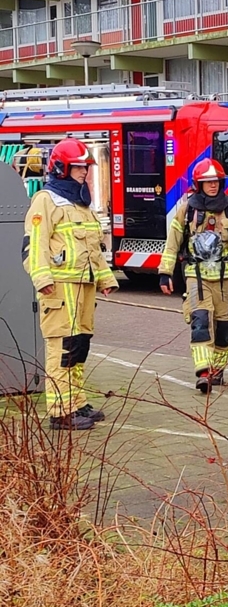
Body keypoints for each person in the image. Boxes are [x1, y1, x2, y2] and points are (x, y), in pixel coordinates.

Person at [22, 138, 117, 430]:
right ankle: (60, 411)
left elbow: (93, 248)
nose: (83, 172)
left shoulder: (81, 203)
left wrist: (105, 279)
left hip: (83, 288)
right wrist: (42, 279)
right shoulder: (46, 200)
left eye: (85, 167)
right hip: (59, 290)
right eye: (78, 167)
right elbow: (32, 247)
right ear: (62, 168)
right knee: (61, 349)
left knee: (79, 347)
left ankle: (76, 402)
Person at [158, 159, 228, 392]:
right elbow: (172, 244)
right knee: (200, 323)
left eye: (215, 181)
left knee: (224, 330)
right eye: (207, 182)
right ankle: (203, 371)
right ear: (198, 184)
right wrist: (165, 273)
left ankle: (217, 370)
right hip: (197, 278)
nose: (212, 186)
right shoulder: (187, 210)